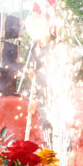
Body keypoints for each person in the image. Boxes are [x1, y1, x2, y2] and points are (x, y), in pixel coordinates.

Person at [24, 13, 54, 148]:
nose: (32, 35)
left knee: (57, 134)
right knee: (47, 132)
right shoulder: (35, 45)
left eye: (33, 30)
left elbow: (53, 78)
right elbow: (37, 67)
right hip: (42, 94)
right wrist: (32, 70)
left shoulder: (55, 46)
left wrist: (38, 100)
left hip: (56, 97)